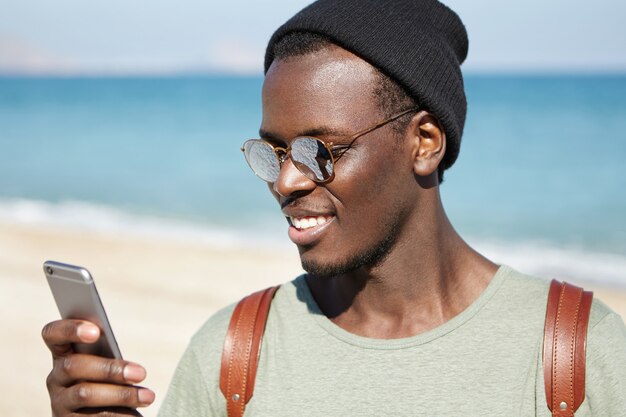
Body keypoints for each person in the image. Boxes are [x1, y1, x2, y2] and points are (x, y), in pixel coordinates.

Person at [41, 0, 626, 416]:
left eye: (317, 151)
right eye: (272, 152)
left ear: (424, 143)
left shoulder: (574, 352)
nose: (286, 181)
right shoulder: (236, 354)